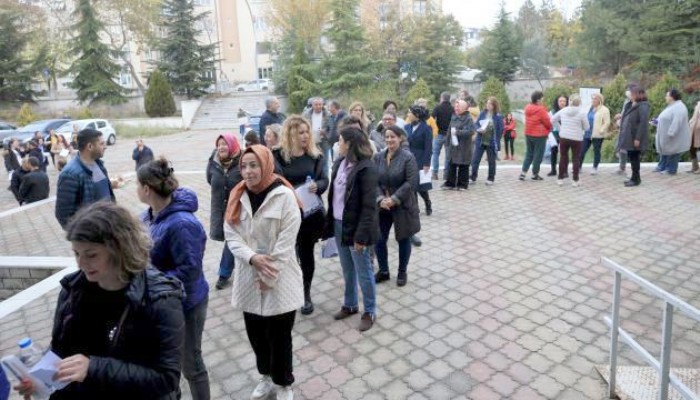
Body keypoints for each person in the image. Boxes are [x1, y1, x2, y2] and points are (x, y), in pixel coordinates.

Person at [14, 202, 185, 400]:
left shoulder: (160, 299)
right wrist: (41, 379)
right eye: (76, 253)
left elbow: (166, 378)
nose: (81, 263)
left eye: (91, 254)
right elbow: (61, 350)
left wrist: (93, 368)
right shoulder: (73, 288)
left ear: (120, 249)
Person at [224, 145, 303, 400]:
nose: (248, 171)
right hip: (249, 275)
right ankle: (266, 377)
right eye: (244, 166)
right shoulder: (238, 195)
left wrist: (269, 275)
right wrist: (252, 257)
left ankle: (283, 384)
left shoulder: (284, 195)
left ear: (266, 165)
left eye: (254, 165)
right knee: (256, 334)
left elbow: (287, 240)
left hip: (280, 279)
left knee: (280, 337)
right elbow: (231, 236)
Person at [137, 158, 210, 400]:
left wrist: (152, 280)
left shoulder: (181, 224)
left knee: (191, 363)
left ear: (147, 189)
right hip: (163, 302)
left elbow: (189, 271)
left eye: (138, 185)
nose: (136, 190)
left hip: (188, 303)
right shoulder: (148, 215)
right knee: (169, 363)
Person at [272, 116, 328, 316]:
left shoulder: (315, 156)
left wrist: (317, 186)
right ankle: (286, 289)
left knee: (306, 254)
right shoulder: (277, 155)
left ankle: (305, 294)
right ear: (290, 134)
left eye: (307, 131)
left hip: (309, 215)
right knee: (286, 254)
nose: (305, 136)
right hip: (286, 214)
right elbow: (274, 181)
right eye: (300, 132)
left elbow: (324, 180)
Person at [324, 127, 379, 332]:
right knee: (347, 268)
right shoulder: (340, 163)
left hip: (357, 228)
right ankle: (350, 304)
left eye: (341, 141)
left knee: (364, 271)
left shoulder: (366, 168)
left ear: (350, 144)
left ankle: (370, 310)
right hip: (339, 224)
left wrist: (361, 237)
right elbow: (334, 196)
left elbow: (369, 207)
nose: (338, 144)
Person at [372, 125, 419, 287]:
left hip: (402, 204)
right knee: (379, 238)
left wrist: (394, 198)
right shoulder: (378, 157)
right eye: (387, 137)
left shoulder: (408, 157)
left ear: (400, 138)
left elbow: (411, 182)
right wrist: (380, 199)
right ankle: (384, 271)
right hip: (383, 205)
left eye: (393, 137)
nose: (390, 140)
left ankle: (402, 271)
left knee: (403, 238)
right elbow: (374, 181)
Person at [55, 128, 120, 229]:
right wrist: (84, 236)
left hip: (108, 228)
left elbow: (95, 189)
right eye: (102, 144)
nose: (105, 146)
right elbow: (63, 215)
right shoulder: (70, 174)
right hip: (92, 234)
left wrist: (110, 184)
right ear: (90, 146)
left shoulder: (99, 164)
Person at [207, 133, 243, 290]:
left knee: (232, 239)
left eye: (224, 144)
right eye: (219, 144)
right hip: (221, 209)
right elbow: (210, 179)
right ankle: (227, 271)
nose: (221, 147)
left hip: (240, 209)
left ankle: (224, 273)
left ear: (232, 145)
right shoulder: (213, 162)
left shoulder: (242, 161)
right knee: (232, 239)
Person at [551, 94, 589, 187]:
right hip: (577, 139)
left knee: (563, 157)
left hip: (564, 137)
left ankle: (560, 179)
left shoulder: (563, 110)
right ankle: (575, 181)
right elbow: (587, 127)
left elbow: (552, 120)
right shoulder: (582, 113)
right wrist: (580, 128)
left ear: (569, 101)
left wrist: (560, 128)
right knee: (576, 159)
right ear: (579, 102)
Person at [654, 89, 690, 175]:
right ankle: (662, 166)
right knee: (666, 151)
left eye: (667, 95)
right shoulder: (672, 106)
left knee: (673, 152)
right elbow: (666, 117)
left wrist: (671, 132)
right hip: (666, 136)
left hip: (673, 136)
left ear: (672, 97)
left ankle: (671, 169)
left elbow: (677, 121)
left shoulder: (679, 107)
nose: (665, 97)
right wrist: (657, 121)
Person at [619, 86, 650, 187]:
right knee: (632, 157)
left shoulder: (643, 106)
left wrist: (638, 138)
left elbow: (643, 123)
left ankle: (636, 179)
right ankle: (634, 177)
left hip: (635, 138)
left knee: (634, 158)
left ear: (637, 94)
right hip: (629, 137)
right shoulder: (633, 104)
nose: (630, 96)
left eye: (632, 94)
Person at [405, 105, 433, 216]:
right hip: (408, 158)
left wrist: (427, 163)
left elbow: (428, 147)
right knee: (411, 185)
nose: (408, 115)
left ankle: (427, 202)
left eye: (409, 113)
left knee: (420, 186)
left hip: (420, 158)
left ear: (416, 115)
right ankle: (415, 207)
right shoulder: (407, 127)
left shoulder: (426, 128)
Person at [443, 100, 476, 190]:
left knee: (463, 166)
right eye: (455, 106)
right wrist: (447, 141)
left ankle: (462, 184)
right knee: (451, 165)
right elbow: (450, 129)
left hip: (464, 147)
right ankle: (450, 183)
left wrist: (458, 132)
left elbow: (471, 131)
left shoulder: (468, 118)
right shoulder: (454, 116)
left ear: (464, 108)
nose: (456, 108)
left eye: (458, 107)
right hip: (453, 146)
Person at [520, 91, 553, 181]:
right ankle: (535, 174)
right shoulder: (541, 109)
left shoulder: (527, 107)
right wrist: (550, 128)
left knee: (529, 153)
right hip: (539, 135)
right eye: (542, 98)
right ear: (538, 99)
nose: (543, 99)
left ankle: (523, 173)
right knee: (538, 155)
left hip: (528, 133)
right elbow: (547, 122)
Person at [471, 97, 504, 185]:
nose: (487, 105)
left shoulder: (498, 116)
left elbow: (501, 129)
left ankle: (490, 178)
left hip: (491, 142)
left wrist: (496, 139)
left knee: (491, 161)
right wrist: (479, 129)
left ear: (494, 106)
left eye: (490, 103)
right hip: (480, 140)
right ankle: (473, 177)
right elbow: (476, 123)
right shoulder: (482, 113)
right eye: (487, 103)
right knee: (475, 159)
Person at [586, 93, 612, 175]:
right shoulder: (589, 108)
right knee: (582, 150)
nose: (593, 100)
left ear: (600, 100)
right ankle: (578, 166)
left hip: (597, 134)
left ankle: (595, 167)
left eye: (595, 99)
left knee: (596, 151)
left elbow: (607, 122)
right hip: (587, 133)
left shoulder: (604, 110)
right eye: (592, 98)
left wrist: (601, 130)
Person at [302, 97, 331, 170]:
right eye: (316, 104)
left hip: (323, 141)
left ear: (322, 105)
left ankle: (325, 179)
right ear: (312, 105)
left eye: (320, 104)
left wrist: (325, 131)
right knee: (312, 161)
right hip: (311, 141)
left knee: (324, 162)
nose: (318, 106)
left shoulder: (328, 114)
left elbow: (331, 128)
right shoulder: (306, 114)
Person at [614, 86, 636, 175]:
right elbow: (624, 113)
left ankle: (632, 172)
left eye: (629, 94)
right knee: (619, 148)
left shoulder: (636, 104)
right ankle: (621, 168)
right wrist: (620, 116)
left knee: (627, 150)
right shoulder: (626, 101)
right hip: (623, 129)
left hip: (630, 131)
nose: (628, 96)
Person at [432, 92, 454, 180]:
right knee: (448, 155)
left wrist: (434, 128)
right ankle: (446, 174)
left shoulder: (437, 107)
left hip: (438, 134)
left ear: (442, 98)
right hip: (449, 135)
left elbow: (431, 118)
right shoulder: (452, 109)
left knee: (435, 154)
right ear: (449, 98)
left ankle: (435, 173)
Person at [547, 96, 568, 176]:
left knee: (564, 153)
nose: (562, 102)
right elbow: (549, 124)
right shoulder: (552, 112)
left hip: (565, 134)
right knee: (554, 151)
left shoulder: (569, 111)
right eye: (560, 101)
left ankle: (565, 171)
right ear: (557, 102)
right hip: (555, 135)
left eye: (564, 101)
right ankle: (553, 170)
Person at [687, 100, 700, 174]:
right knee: (692, 148)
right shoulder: (698, 104)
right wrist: (690, 122)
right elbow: (694, 117)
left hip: (698, 129)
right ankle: (695, 167)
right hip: (694, 130)